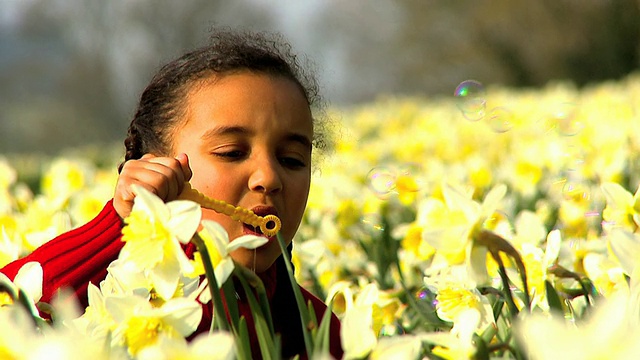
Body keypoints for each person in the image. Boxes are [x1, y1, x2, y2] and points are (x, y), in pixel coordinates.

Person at [1, 28, 343, 359]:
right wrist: (120, 226)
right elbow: (12, 311)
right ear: (158, 165)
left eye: (291, 160)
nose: (268, 177)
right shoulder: (121, 292)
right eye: (231, 152)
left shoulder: (324, 337)